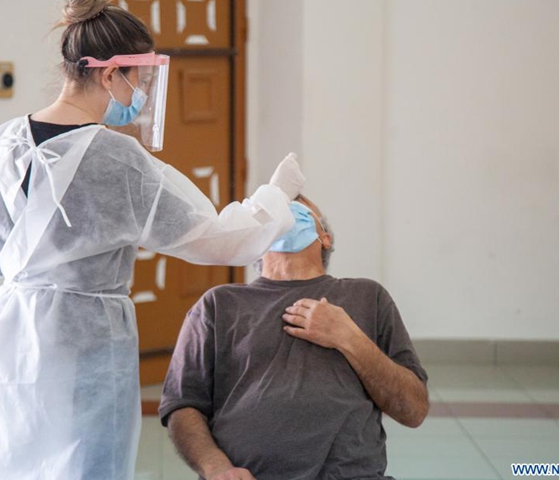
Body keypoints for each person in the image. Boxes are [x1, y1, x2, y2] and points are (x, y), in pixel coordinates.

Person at [0, 1, 305, 478]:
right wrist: (276, 196)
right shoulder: (116, 159)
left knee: (14, 459)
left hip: (12, 338)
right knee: (87, 465)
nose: (139, 92)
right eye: (138, 78)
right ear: (110, 74)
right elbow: (220, 242)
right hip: (87, 343)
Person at [159, 196, 429, 480]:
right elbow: (182, 404)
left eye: (298, 207)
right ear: (253, 238)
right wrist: (216, 468)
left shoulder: (367, 297)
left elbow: (413, 410)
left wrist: (349, 337)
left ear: (324, 238)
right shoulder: (219, 304)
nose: (284, 207)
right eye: (273, 206)